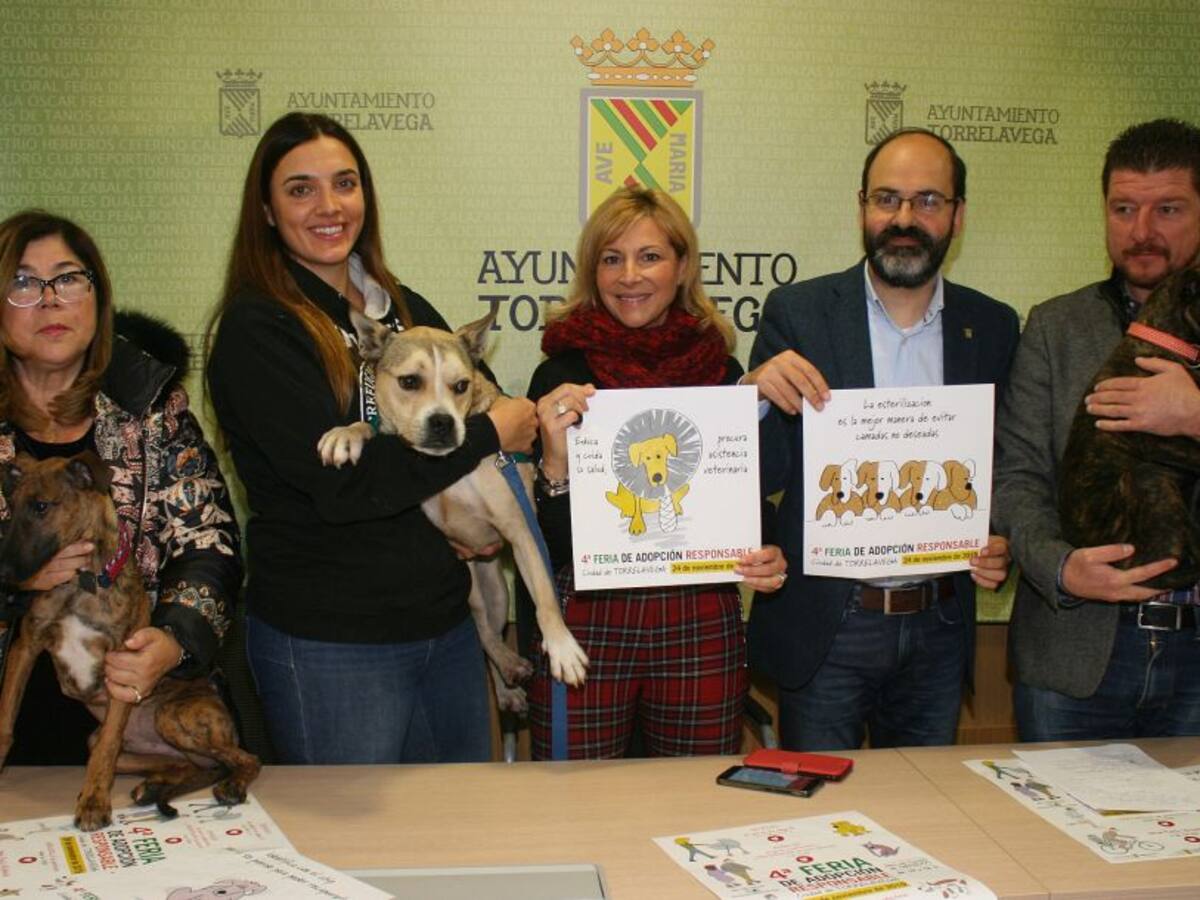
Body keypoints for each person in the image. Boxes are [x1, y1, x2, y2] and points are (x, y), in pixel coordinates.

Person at [204, 112, 538, 764]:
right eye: (300, 189)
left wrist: (493, 482)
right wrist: (488, 433)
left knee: (462, 824)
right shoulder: (258, 329)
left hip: (446, 625)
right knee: (348, 832)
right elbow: (341, 486)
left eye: (345, 183)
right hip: (333, 642)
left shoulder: (405, 309)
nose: (329, 206)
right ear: (266, 211)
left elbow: (494, 412)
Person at [745, 129, 1019, 751]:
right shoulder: (799, 313)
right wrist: (755, 395)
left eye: (928, 201)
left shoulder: (993, 326)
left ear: (958, 215)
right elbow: (765, 472)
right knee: (820, 800)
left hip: (940, 626)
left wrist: (999, 537)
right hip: (829, 625)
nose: (903, 219)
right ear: (862, 207)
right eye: (886, 199)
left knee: (925, 801)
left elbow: (1007, 464)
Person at [525, 186, 787, 759]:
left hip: (700, 615)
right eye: (611, 259)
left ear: (682, 267)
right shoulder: (559, 376)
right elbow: (547, 543)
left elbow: (740, 502)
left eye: (649, 257)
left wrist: (767, 550)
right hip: (587, 616)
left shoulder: (723, 372)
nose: (629, 276)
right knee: (575, 796)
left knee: (694, 797)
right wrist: (554, 464)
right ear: (592, 272)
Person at [0, 210, 241, 764]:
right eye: (23, 283)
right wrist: (15, 582)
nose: (50, 300)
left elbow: (209, 545)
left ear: (98, 297)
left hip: (140, 724)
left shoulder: (153, 412)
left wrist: (174, 639)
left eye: (67, 279)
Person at [994, 117, 1200, 740]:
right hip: (1074, 655)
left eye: (1168, 209)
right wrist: (1061, 569)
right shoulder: (1055, 326)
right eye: (1123, 209)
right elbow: (1016, 476)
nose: (1142, 231)